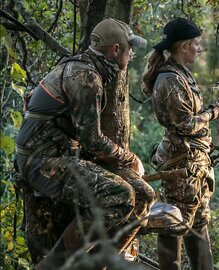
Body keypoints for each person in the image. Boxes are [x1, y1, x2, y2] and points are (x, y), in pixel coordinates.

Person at [14, 18, 155, 269]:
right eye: (129, 46)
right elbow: (92, 141)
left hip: (63, 155)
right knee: (120, 195)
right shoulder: (86, 76)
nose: (132, 52)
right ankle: (55, 266)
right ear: (115, 50)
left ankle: (97, 263)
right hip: (40, 159)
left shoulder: (90, 69)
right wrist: (130, 159)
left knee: (144, 195)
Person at [141, 17, 219, 270]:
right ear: (184, 45)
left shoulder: (181, 75)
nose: (200, 49)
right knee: (174, 222)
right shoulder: (170, 79)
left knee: (197, 222)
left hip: (194, 162)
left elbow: (189, 116)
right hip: (182, 163)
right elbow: (184, 124)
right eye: (197, 44)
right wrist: (214, 113)